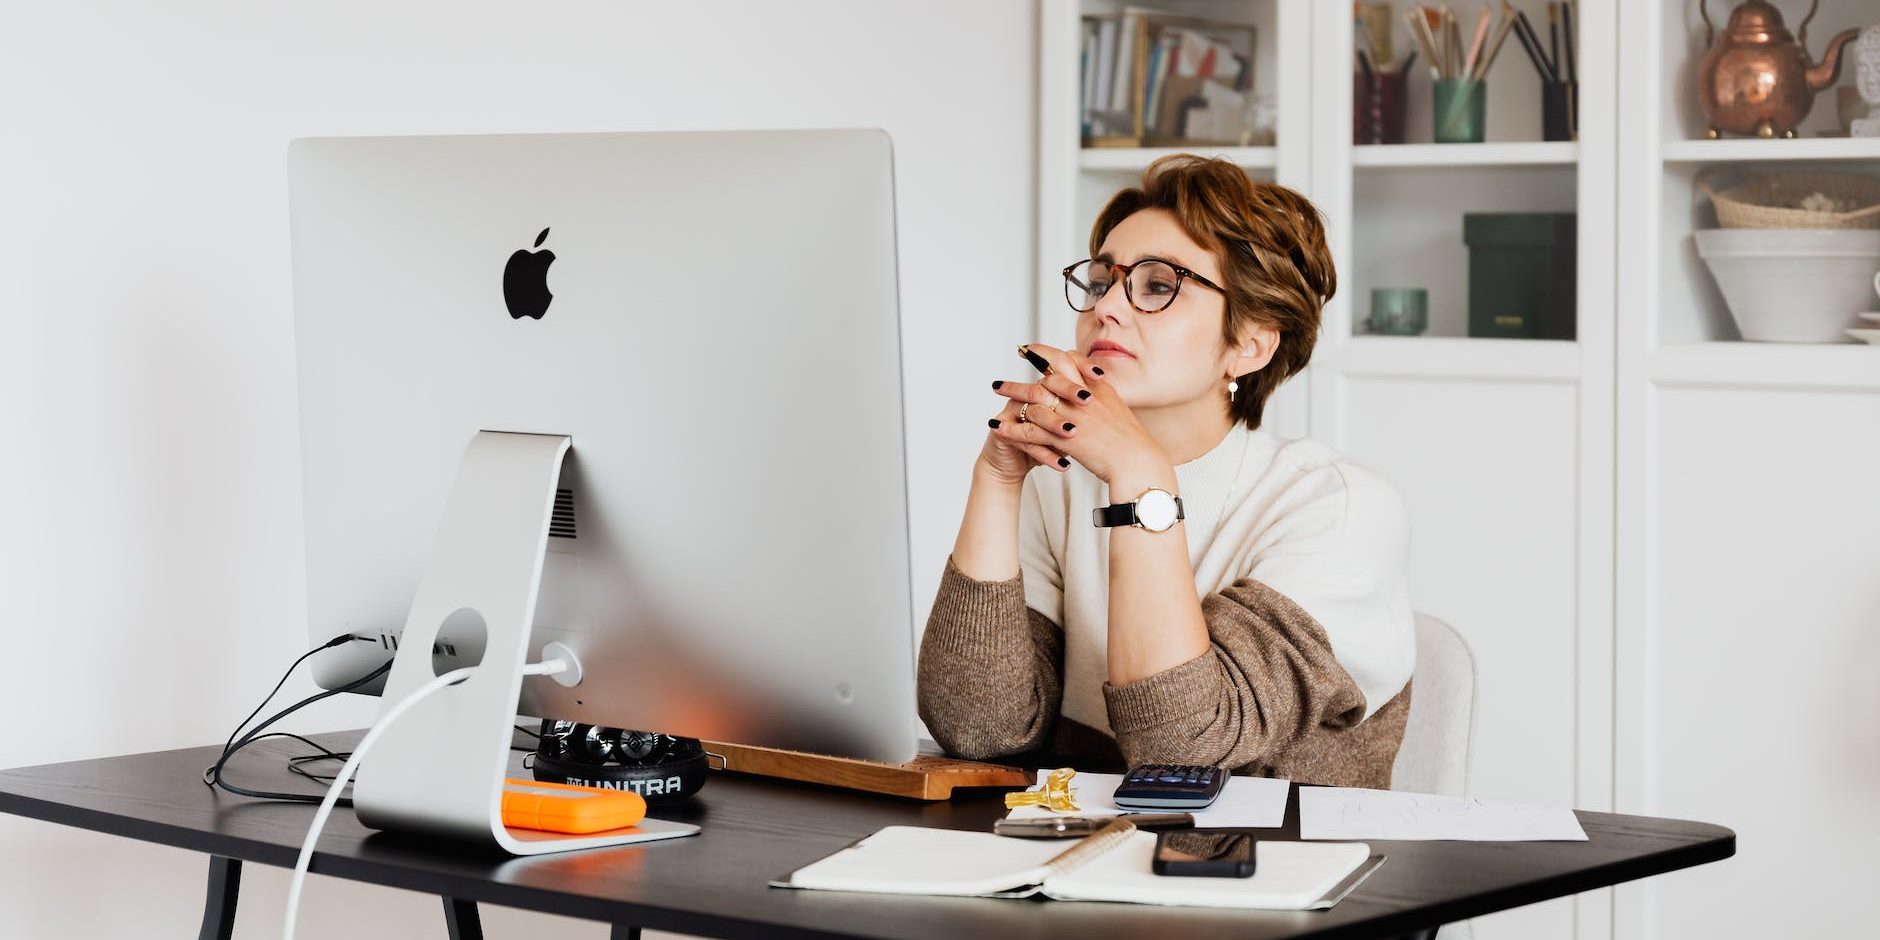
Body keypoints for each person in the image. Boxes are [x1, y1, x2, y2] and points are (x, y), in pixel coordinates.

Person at [917, 155, 1415, 788]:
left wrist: (1141, 476)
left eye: (1158, 286)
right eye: (1102, 282)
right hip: (1081, 863)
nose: (1108, 309)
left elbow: (1180, 750)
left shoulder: (1338, 508)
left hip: (1270, 870)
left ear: (1250, 345)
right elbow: (978, 728)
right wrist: (997, 474)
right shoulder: (1059, 483)